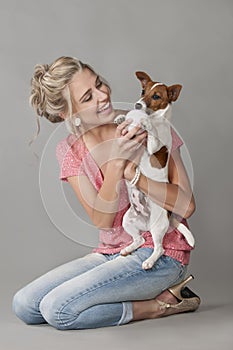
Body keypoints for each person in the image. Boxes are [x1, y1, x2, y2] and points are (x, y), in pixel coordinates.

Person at [12, 56, 200, 330]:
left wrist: (132, 174)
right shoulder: (69, 150)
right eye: (88, 96)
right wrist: (116, 165)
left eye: (99, 83)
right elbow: (103, 221)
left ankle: (160, 305)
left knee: (58, 311)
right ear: (68, 113)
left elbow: (187, 206)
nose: (103, 95)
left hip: (161, 253)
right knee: (24, 305)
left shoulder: (152, 128)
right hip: (113, 252)